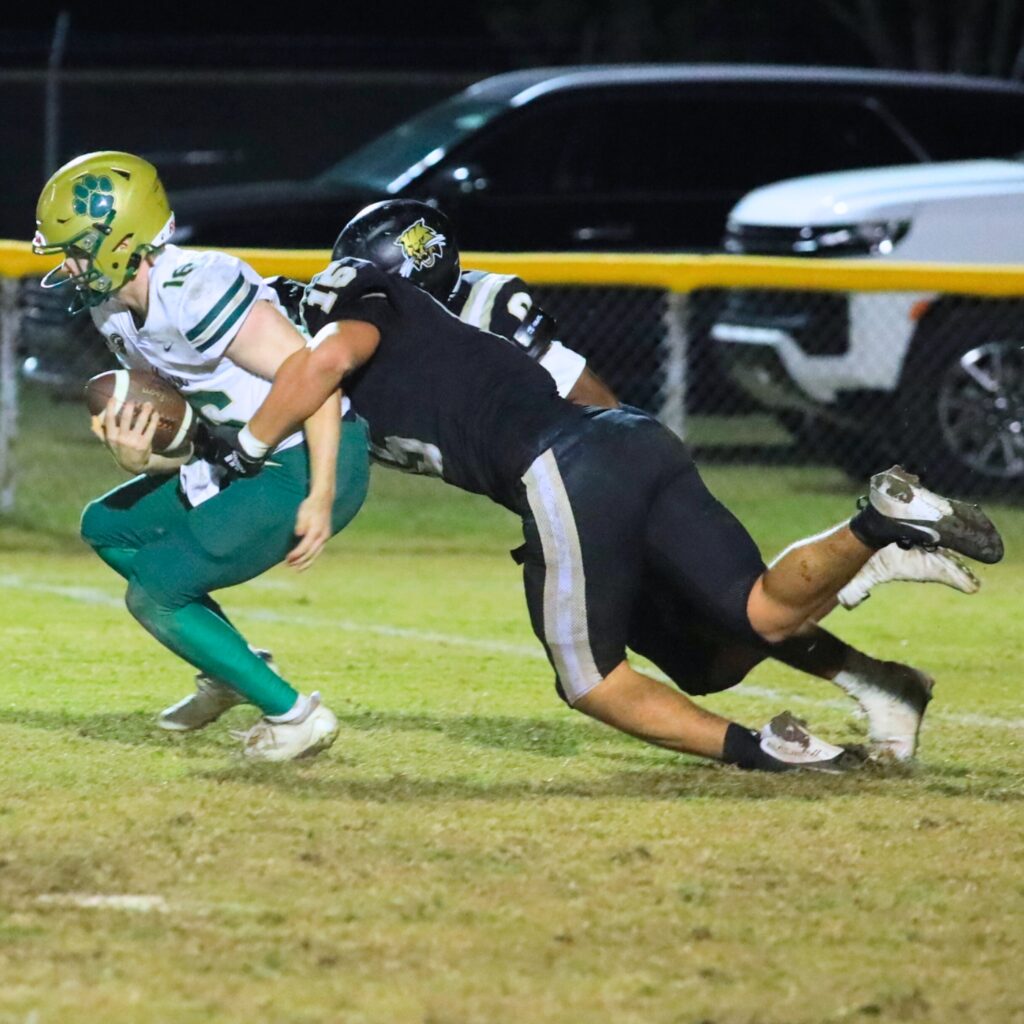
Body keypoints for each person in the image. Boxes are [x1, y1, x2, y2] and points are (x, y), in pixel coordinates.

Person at [213, 254, 1004, 772]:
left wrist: (243, 449)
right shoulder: (375, 352)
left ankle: (776, 756)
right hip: (620, 447)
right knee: (738, 631)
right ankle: (877, 527)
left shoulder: (361, 305)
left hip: (566, 468)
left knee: (589, 680)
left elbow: (325, 357)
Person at [32, 151, 370, 761]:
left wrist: (320, 493)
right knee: (108, 526)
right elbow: (193, 433)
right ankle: (231, 667)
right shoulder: (115, 310)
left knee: (156, 592)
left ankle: (295, 718)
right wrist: (144, 462)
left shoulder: (196, 287)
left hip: (308, 454)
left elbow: (315, 377)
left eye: (75, 248)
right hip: (242, 457)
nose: (68, 265)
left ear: (121, 239)